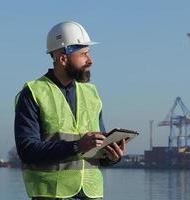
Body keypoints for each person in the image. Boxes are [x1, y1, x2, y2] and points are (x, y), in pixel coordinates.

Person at [14, 21, 126, 200]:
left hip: (92, 194)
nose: (90, 60)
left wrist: (111, 157)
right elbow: (27, 151)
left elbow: (96, 151)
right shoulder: (33, 92)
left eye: (88, 53)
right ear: (63, 58)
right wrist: (77, 146)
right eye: (83, 54)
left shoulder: (92, 94)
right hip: (51, 194)